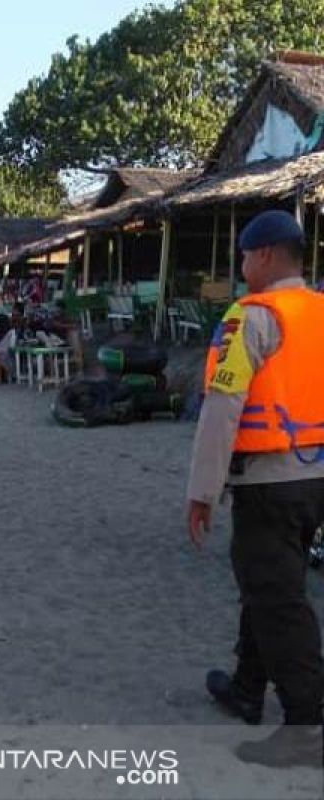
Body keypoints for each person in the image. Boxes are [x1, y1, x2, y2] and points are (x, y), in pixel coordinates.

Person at [187, 209, 324, 768]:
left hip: (269, 481)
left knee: (278, 598)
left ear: (265, 255)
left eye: (244, 255)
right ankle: (247, 685)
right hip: (315, 476)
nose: (241, 266)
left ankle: (305, 726)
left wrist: (203, 490)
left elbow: (222, 410)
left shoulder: (252, 318)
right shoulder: (319, 311)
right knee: (268, 582)